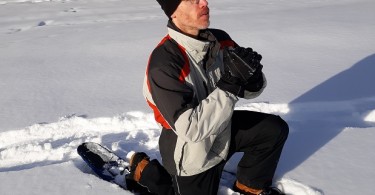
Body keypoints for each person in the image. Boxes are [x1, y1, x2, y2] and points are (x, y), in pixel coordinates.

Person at [125, 0, 289, 194]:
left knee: (272, 131)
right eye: (193, 0)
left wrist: (253, 80)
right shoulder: (165, 64)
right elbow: (191, 129)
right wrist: (231, 84)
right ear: (173, 12)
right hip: (189, 150)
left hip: (221, 126)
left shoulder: (220, 40)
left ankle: (250, 186)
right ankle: (144, 172)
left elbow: (247, 88)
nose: (204, 2)